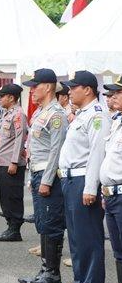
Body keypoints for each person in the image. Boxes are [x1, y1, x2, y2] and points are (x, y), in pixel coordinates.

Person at [59, 71, 109, 283]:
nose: (69, 92)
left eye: (73, 88)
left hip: (83, 181)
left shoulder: (97, 115)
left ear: (87, 89)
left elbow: (96, 153)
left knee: (88, 239)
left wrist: (90, 188)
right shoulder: (82, 114)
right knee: (77, 241)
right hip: (71, 180)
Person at [19, 69, 68, 283]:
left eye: (35, 86)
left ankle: (52, 273)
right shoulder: (41, 112)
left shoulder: (56, 114)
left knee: (51, 222)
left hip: (50, 176)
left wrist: (47, 180)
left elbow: (56, 150)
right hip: (38, 172)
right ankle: (45, 270)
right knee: (42, 222)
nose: (31, 90)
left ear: (48, 87)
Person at [0, 84, 28, 242]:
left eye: (2, 96)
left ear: (11, 98)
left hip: (11, 163)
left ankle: (15, 229)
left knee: (13, 197)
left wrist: (14, 161)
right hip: (3, 161)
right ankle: (10, 225)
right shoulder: (7, 114)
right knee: (5, 197)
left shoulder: (18, 114)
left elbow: (20, 139)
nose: (0, 99)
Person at [101, 76, 122, 283]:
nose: (112, 97)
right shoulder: (117, 122)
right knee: (118, 252)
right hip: (112, 195)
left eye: (117, 93)